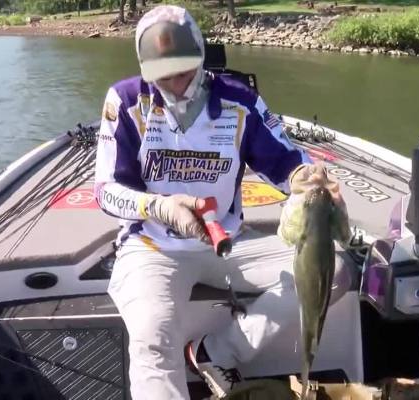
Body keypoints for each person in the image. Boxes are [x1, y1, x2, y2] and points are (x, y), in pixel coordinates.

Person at [94, 5, 352, 400]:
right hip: (152, 246)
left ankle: (217, 352)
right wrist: (159, 207)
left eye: (184, 71)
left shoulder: (240, 100)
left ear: (200, 56)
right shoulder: (125, 100)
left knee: (336, 273)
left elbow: (286, 162)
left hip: (229, 240)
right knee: (152, 338)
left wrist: (305, 177)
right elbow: (106, 190)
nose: (175, 84)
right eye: (163, 75)